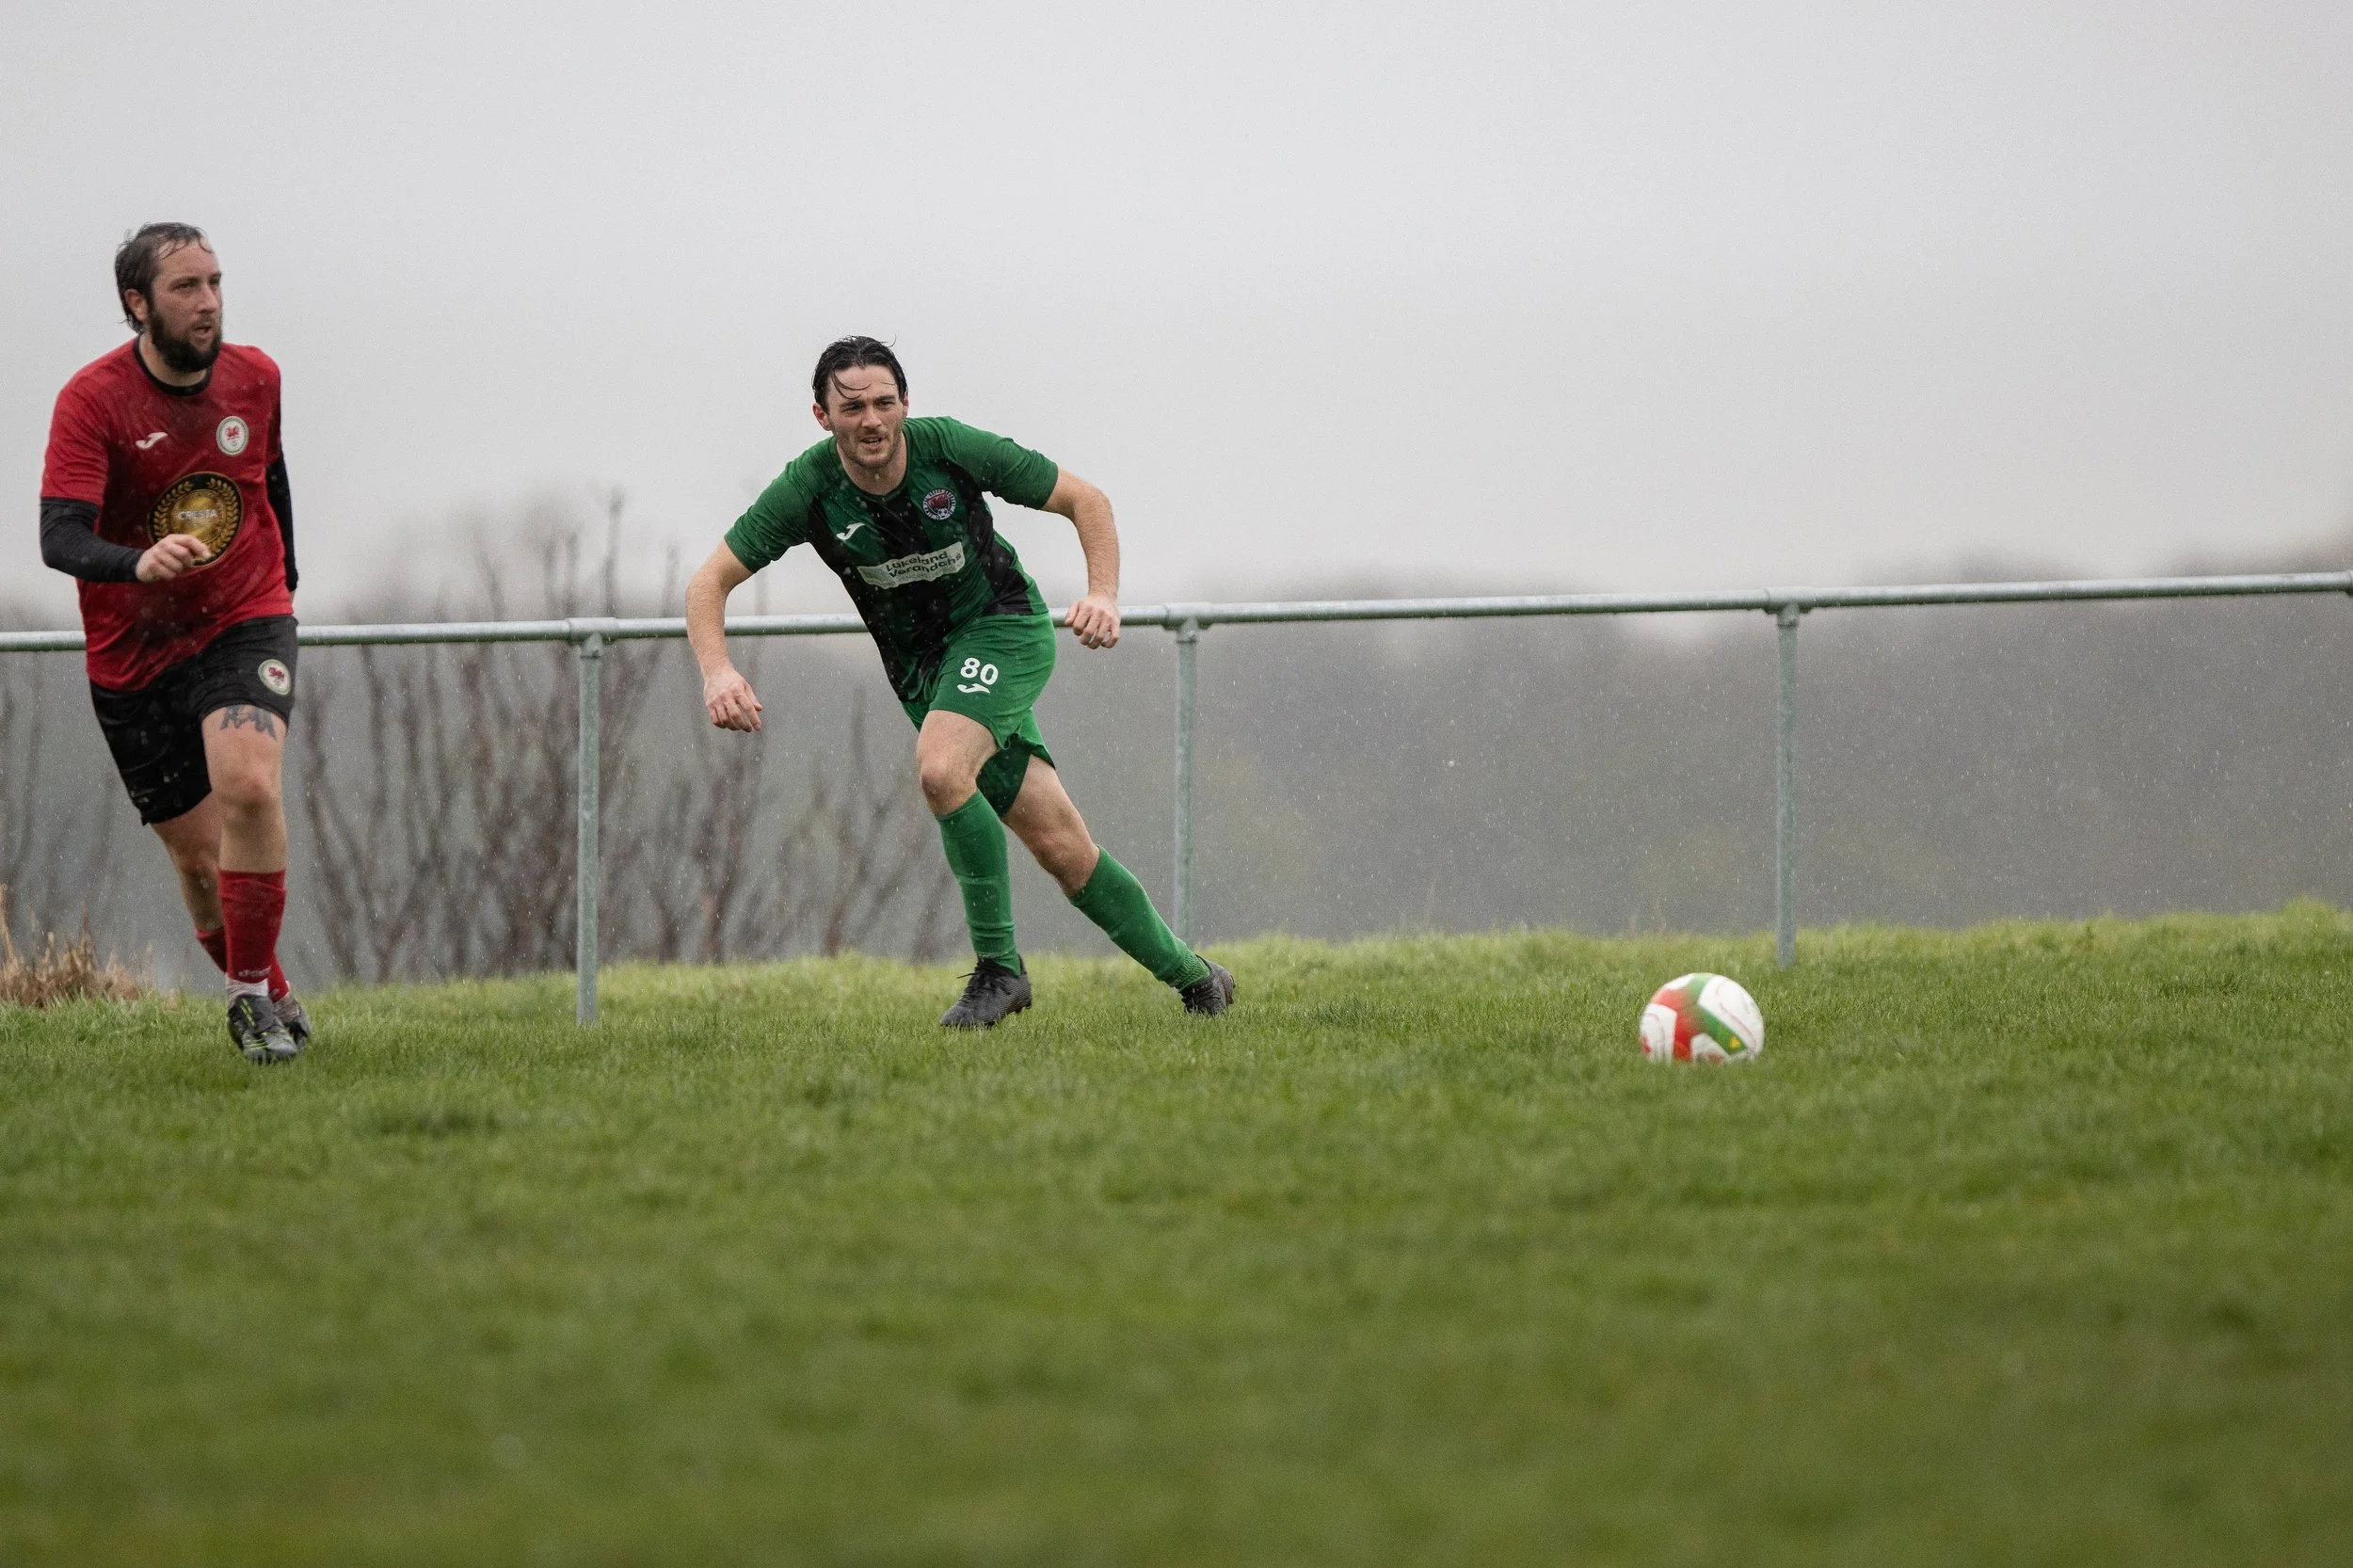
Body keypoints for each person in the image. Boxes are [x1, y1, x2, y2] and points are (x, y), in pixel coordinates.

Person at [686, 337, 1235, 1027]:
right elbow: (709, 583)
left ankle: (999, 972)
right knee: (1063, 848)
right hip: (926, 674)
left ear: (906, 405)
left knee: (943, 771)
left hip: (1002, 630)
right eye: (851, 406)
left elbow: (1085, 500)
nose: (872, 420)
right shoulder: (807, 488)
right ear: (823, 416)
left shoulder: (950, 448)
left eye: (885, 402)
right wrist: (717, 672)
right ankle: (1199, 981)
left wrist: (1103, 594)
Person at [38, 222, 311, 1063]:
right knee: (198, 864)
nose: (209, 303)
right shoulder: (93, 401)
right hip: (134, 652)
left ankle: (247, 1001)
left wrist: (285, 584)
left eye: (216, 283)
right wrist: (136, 562)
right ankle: (271, 989)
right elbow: (59, 537)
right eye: (187, 288)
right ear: (137, 303)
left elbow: (269, 477)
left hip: (241, 616)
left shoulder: (256, 377)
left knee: (251, 787)